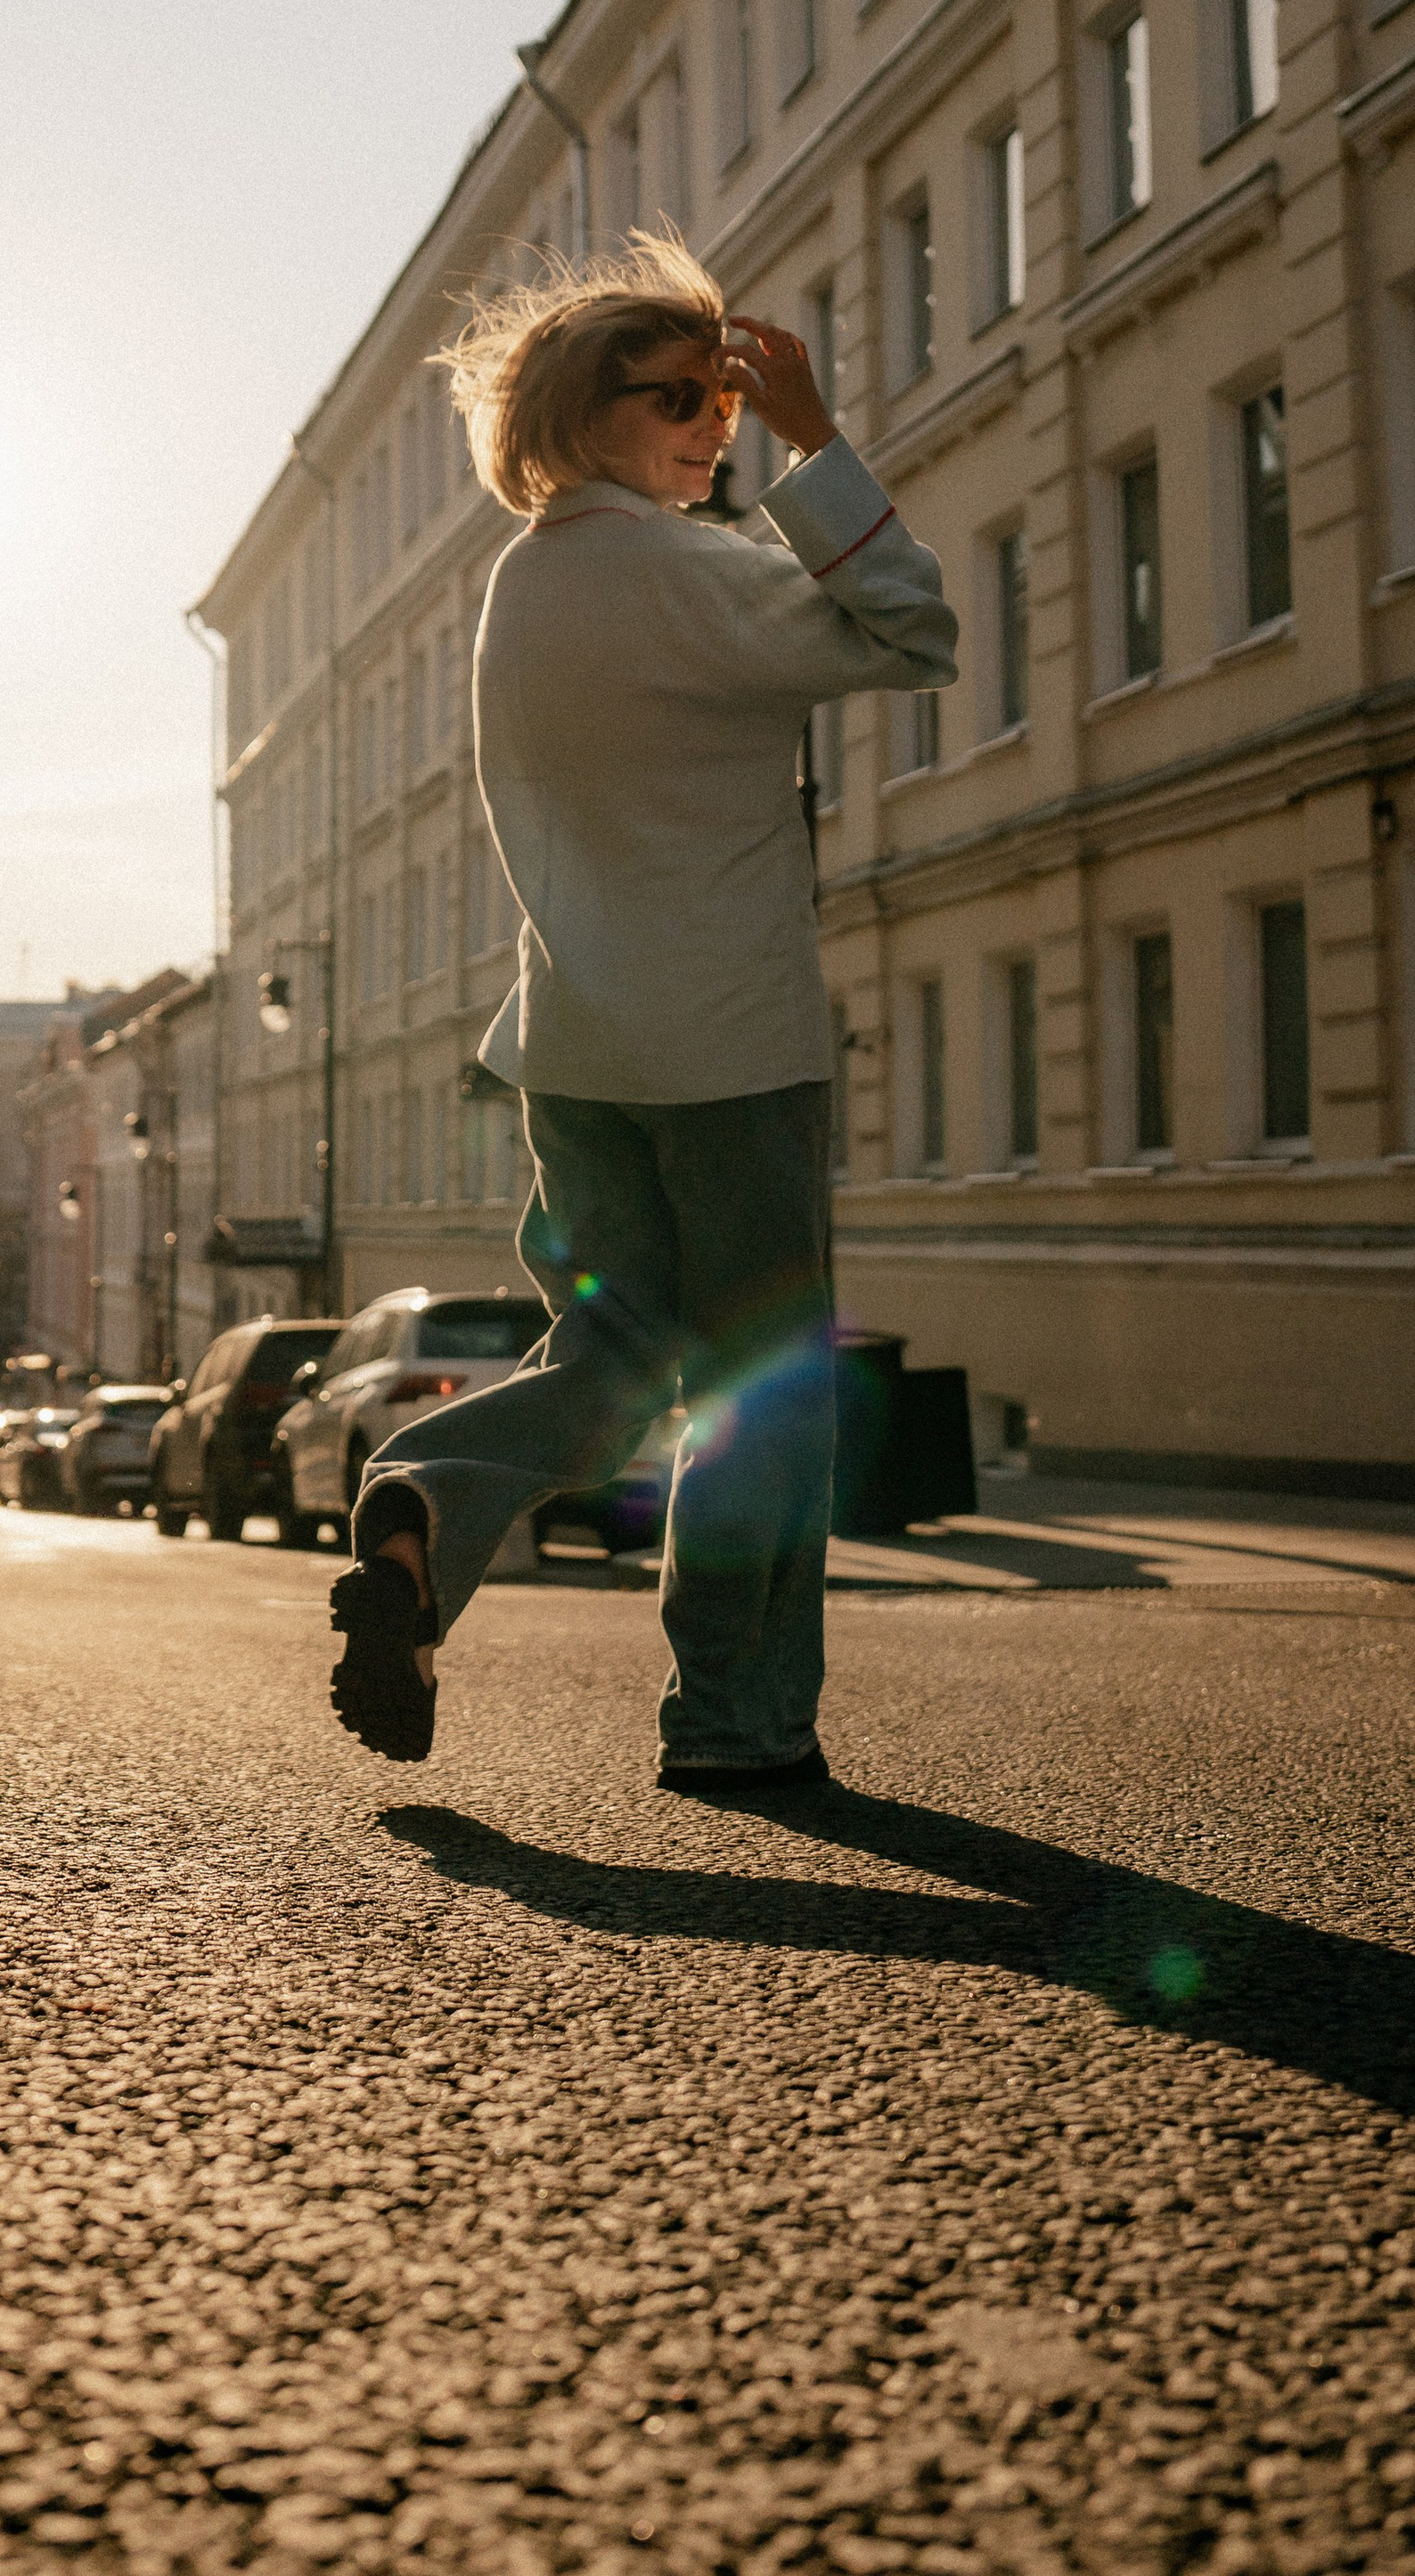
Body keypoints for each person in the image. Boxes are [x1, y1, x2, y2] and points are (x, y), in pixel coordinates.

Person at [331, 237, 957, 1787]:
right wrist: (819, 441)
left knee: (612, 1352)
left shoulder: (520, 585)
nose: (715, 423)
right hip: (733, 1051)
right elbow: (913, 631)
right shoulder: (698, 575)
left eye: (731, 397)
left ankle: (427, 1496)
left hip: (578, 1048)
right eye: (676, 393)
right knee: (762, 1390)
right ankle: (737, 1720)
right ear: (572, 407)